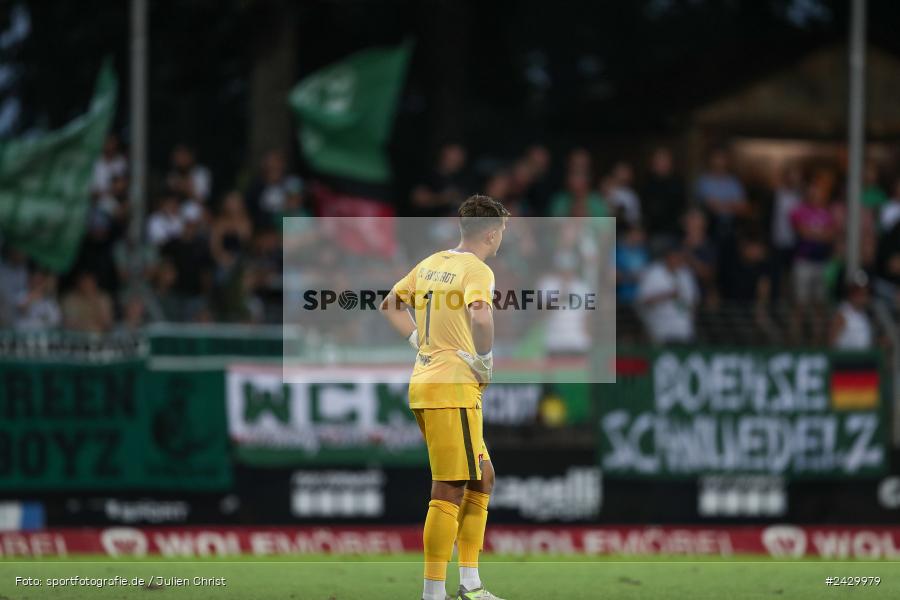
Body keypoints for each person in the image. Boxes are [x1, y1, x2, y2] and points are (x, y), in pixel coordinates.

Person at [379, 195, 508, 600]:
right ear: (491, 232)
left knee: (482, 478)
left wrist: (422, 340)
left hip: (427, 382)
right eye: (502, 228)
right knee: (450, 486)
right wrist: (484, 359)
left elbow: (390, 304)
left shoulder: (433, 262)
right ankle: (433, 592)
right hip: (452, 387)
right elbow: (481, 315)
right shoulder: (477, 270)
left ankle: (469, 583)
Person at [637, 243, 699, 344]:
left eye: (680, 258)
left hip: (684, 329)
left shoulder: (686, 274)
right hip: (660, 329)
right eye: (674, 257)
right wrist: (667, 295)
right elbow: (643, 301)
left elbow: (693, 301)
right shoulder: (653, 273)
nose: (677, 260)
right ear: (667, 257)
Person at [639, 147, 685, 242]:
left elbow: (683, 207)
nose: (662, 164)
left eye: (665, 160)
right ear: (653, 164)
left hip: (676, 231)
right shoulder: (646, 184)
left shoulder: (678, 182)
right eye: (659, 160)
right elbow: (645, 212)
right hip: (654, 232)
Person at [831, 272, 873, 350]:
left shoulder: (864, 314)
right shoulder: (842, 313)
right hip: (846, 360)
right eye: (859, 293)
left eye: (865, 293)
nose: (862, 297)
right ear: (851, 293)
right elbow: (832, 343)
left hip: (864, 360)